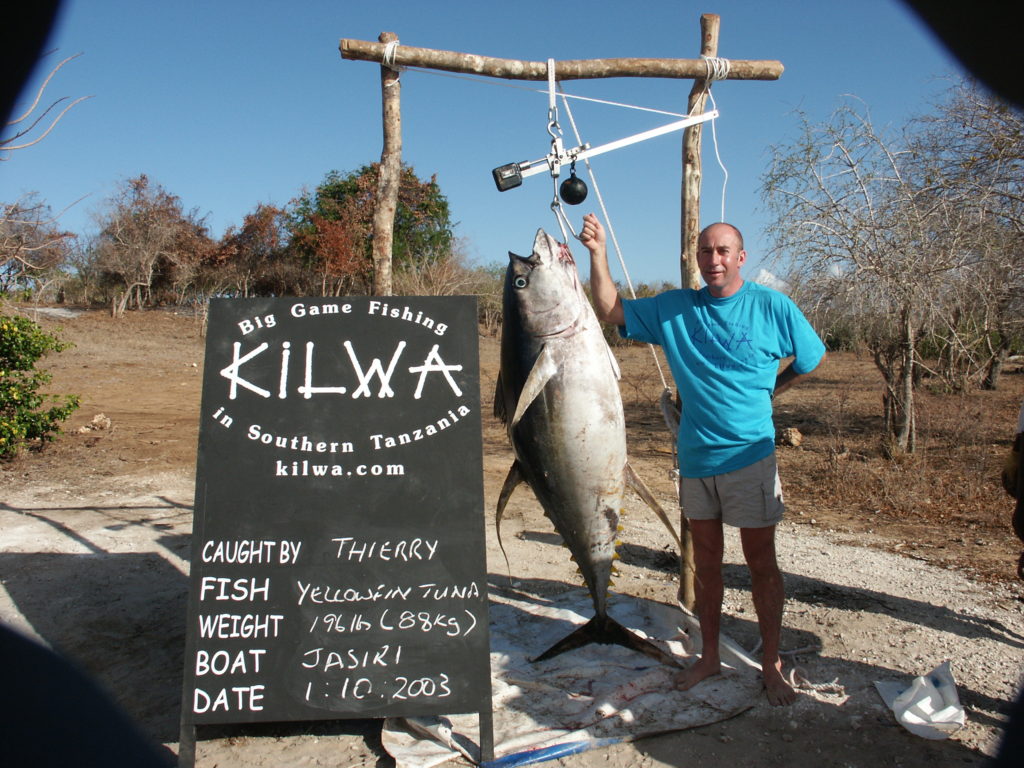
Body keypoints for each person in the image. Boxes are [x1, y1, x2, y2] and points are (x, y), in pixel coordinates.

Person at [581, 212, 825, 706]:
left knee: (761, 564)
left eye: (722, 251)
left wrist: (772, 389)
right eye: (704, 251)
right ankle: (709, 656)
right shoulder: (675, 309)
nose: (713, 260)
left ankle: (772, 665)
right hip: (696, 459)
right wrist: (598, 252)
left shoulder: (771, 306)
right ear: (695, 258)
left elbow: (812, 356)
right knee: (707, 564)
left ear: (740, 257)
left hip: (750, 458)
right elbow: (610, 309)